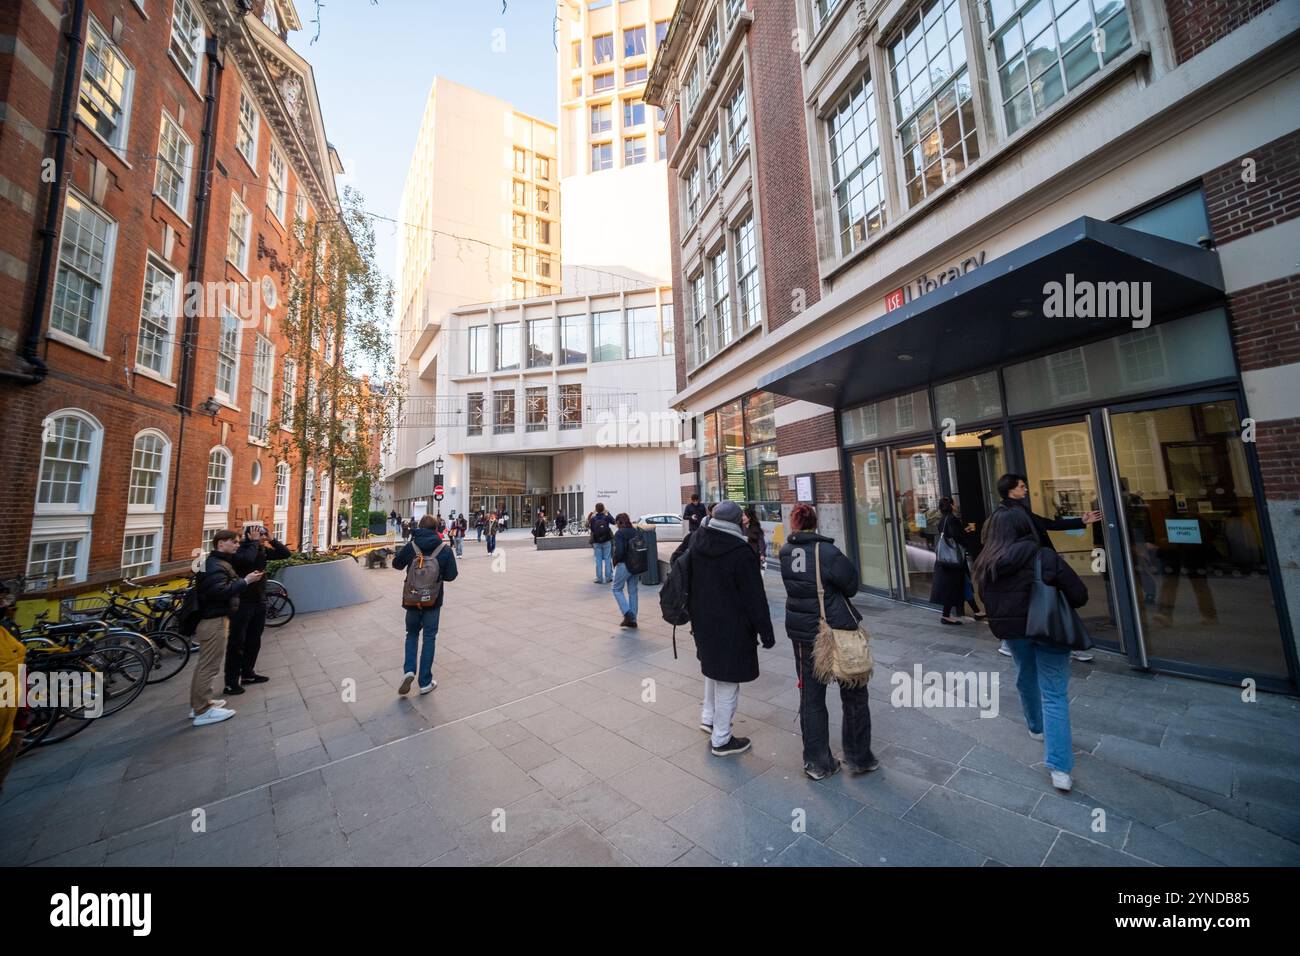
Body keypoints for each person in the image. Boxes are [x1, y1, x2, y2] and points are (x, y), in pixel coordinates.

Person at [974, 505, 1088, 792]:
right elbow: (1079, 594)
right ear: (1026, 528)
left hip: (1014, 632)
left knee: (1025, 674)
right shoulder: (1043, 557)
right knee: (1054, 694)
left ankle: (1035, 727)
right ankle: (1059, 768)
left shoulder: (986, 562)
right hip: (1049, 629)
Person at [779, 504, 878, 779]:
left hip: (802, 633)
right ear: (815, 522)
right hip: (835, 630)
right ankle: (859, 756)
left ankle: (817, 762)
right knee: (854, 691)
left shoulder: (786, 552)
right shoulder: (828, 552)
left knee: (810, 697)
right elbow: (851, 586)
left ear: (794, 524)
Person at [687, 500, 776, 757]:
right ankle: (722, 739)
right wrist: (766, 633)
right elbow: (754, 599)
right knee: (728, 682)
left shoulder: (698, 542)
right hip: (732, 626)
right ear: (737, 522)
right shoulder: (740, 552)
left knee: (713, 671)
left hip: (703, 622)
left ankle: (709, 718)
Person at [994, 473, 1100, 662]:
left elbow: (1046, 523)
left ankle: (1010, 643)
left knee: (1034, 603)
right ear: (1011, 490)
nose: (1025, 489)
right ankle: (1067, 643)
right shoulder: (1009, 513)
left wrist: (1080, 521)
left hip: (1030, 564)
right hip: (1033, 564)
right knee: (1055, 602)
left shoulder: (1017, 510)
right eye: (1021, 486)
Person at [191, 530, 263, 727]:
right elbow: (219, 591)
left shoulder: (215, 562)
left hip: (214, 618)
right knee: (209, 666)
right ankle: (202, 710)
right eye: (234, 542)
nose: (237, 545)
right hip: (213, 620)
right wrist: (246, 581)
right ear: (221, 543)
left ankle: (199, 703)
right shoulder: (215, 565)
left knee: (205, 664)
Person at [392, 515, 458, 695]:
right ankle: (425, 682)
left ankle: (409, 670)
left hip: (412, 599)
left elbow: (396, 564)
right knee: (429, 637)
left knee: (411, 633)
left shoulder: (412, 546)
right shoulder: (444, 549)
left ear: (419, 526)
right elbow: (452, 575)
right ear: (437, 528)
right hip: (433, 600)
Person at [225, 525, 291, 695]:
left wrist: (272, 540)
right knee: (237, 642)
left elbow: (285, 554)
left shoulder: (261, 549)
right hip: (242, 601)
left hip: (259, 600)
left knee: (254, 639)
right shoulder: (241, 550)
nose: (262, 536)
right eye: (259, 533)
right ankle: (231, 682)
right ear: (250, 535)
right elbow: (246, 561)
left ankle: (248, 673)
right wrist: (254, 542)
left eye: (263, 533)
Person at [930, 497, 984, 625]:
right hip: (954, 559)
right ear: (951, 505)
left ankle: (975, 611)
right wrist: (966, 534)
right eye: (954, 503)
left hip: (948, 560)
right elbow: (956, 536)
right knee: (959, 583)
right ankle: (946, 615)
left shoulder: (941, 520)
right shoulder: (952, 519)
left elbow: (949, 535)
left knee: (963, 583)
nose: (956, 505)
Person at [611, 512, 641, 629]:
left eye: (616, 523)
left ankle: (627, 613)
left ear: (619, 522)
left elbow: (620, 551)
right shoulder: (635, 531)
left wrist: (615, 560)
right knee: (633, 592)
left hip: (624, 565)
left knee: (616, 589)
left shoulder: (619, 534)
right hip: (636, 565)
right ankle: (633, 619)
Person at [588, 502, 615, 584]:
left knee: (598, 560)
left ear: (596, 509)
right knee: (607, 558)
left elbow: (590, 528)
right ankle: (608, 577)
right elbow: (614, 522)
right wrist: (608, 513)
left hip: (596, 541)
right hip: (606, 540)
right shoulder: (606, 517)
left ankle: (599, 578)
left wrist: (592, 514)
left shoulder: (593, 518)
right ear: (603, 509)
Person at [742, 505, 767, 570]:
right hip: (743, 555)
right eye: (742, 515)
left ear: (750, 517)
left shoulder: (756, 528)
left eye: (744, 515)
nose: (743, 517)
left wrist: (762, 554)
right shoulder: (740, 527)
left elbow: (761, 542)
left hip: (754, 555)